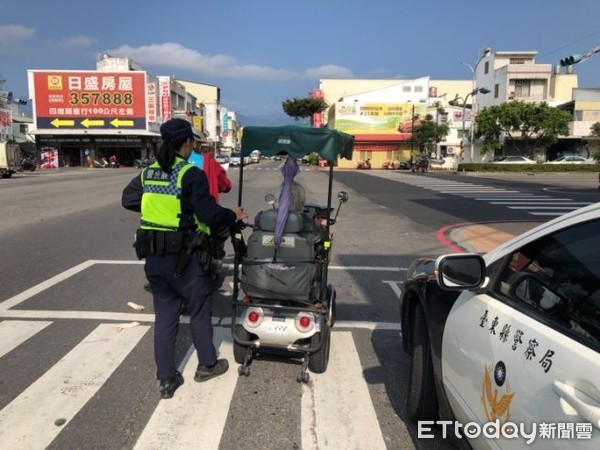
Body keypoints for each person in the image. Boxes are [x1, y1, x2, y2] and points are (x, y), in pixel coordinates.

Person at [121, 118, 247, 399]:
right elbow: (210, 216)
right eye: (192, 142)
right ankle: (207, 365)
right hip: (187, 256)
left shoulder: (147, 174)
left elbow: (128, 200)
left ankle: (166, 378)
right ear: (188, 143)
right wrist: (232, 216)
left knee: (165, 316)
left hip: (155, 258)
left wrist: (158, 209)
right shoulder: (190, 174)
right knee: (200, 310)